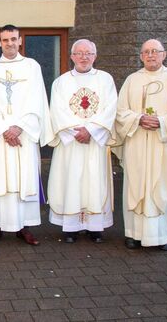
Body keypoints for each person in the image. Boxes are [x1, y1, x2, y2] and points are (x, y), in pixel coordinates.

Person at [113, 39, 167, 251]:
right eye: (146, 52)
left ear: (164, 54)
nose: (151, 55)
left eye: (155, 51)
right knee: (136, 185)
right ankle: (134, 234)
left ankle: (163, 235)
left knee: (163, 186)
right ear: (141, 56)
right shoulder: (132, 80)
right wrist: (138, 119)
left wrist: (161, 121)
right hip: (138, 142)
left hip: (165, 145)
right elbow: (120, 112)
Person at [0, 24, 53, 246]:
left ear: (20, 41)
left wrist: (19, 128)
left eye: (13, 39)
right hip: (0, 137)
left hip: (24, 135)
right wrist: (4, 130)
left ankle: (24, 227)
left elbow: (37, 100)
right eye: (5, 39)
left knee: (24, 180)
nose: (9, 43)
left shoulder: (32, 67)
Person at [47, 39, 117, 243]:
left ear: (95, 56)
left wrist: (92, 131)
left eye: (88, 53)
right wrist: (76, 133)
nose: (84, 57)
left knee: (95, 182)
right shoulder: (61, 82)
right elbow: (56, 111)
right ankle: (70, 227)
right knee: (71, 181)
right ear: (72, 56)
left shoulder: (105, 80)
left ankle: (95, 227)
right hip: (72, 143)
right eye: (79, 53)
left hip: (95, 142)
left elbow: (111, 108)